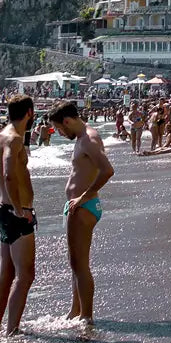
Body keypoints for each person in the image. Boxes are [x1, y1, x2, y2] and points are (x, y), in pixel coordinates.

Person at [50, 99, 115, 326]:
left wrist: (84, 196)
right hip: (78, 205)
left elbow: (107, 170)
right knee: (75, 262)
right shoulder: (82, 138)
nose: (59, 133)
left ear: (67, 121)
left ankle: (86, 316)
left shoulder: (89, 139)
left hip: (84, 206)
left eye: (59, 128)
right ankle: (75, 311)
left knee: (81, 264)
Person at [0, 95, 37, 335]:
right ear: (29, 112)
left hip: (3, 210)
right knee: (26, 274)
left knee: (6, 273)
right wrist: (20, 209)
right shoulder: (14, 139)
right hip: (16, 214)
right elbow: (8, 173)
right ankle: (12, 331)